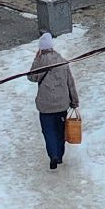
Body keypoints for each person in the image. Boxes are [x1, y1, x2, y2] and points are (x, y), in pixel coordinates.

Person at [27, 34, 79, 170]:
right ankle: (59, 156)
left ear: (41, 48)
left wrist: (35, 59)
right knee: (60, 131)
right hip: (62, 105)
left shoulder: (40, 61)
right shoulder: (62, 60)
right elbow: (70, 83)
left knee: (48, 131)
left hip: (45, 106)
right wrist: (74, 101)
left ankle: (53, 156)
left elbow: (31, 77)